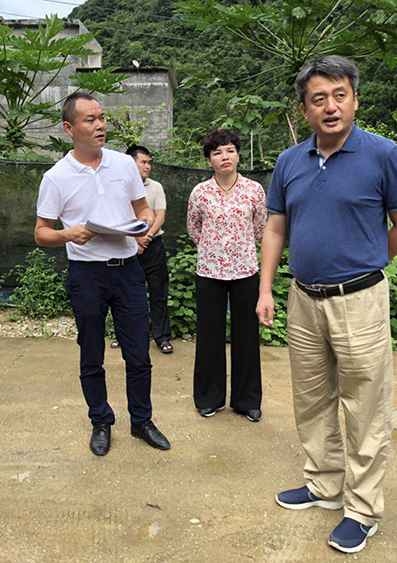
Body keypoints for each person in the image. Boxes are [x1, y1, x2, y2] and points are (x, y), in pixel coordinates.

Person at [256, 56, 397, 553]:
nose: (330, 106)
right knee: (310, 399)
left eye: (339, 95)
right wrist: (266, 290)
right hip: (303, 299)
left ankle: (363, 510)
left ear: (354, 99)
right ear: (305, 109)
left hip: (360, 301)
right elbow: (276, 228)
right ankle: (325, 485)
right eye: (318, 98)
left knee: (365, 407)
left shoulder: (383, 154)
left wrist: (367, 265)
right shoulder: (289, 162)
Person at [34, 92, 171, 457]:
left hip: (128, 272)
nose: (100, 125)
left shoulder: (124, 165)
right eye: (90, 120)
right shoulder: (56, 176)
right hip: (86, 275)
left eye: (102, 117)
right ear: (69, 128)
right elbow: (41, 232)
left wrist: (140, 228)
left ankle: (141, 420)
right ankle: (101, 420)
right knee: (91, 353)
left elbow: (142, 207)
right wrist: (68, 233)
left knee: (138, 352)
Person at [187, 129, 266, 422]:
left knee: (247, 335)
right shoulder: (200, 192)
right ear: (209, 160)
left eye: (230, 150)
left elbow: (260, 227)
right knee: (209, 336)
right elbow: (193, 228)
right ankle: (209, 397)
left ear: (238, 154)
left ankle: (247, 400)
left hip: (245, 270)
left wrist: (238, 249)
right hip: (209, 272)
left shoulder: (254, 190)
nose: (224, 157)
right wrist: (213, 249)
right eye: (217, 152)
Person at [111, 145, 173, 354]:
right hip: (126, 247)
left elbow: (160, 215)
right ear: (131, 163)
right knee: (125, 295)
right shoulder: (119, 187)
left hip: (153, 247)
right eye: (143, 162)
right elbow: (116, 218)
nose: (148, 166)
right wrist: (133, 240)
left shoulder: (156, 187)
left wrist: (145, 238)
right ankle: (125, 336)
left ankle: (162, 337)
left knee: (158, 293)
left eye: (149, 162)